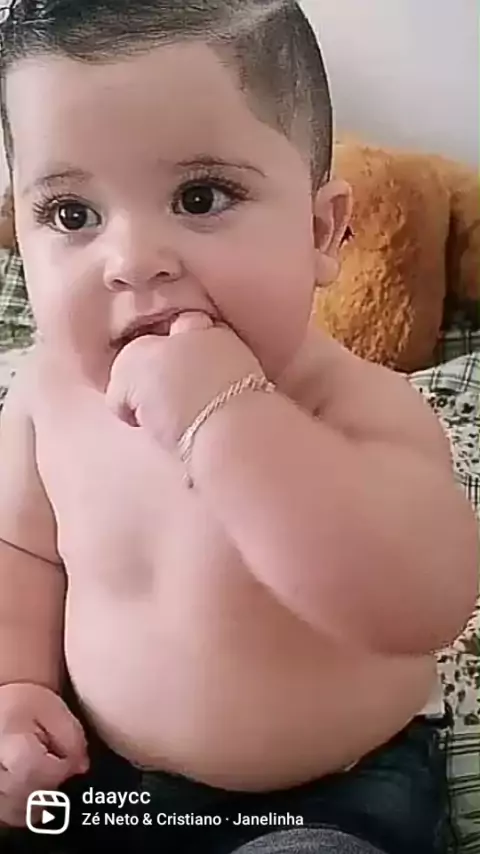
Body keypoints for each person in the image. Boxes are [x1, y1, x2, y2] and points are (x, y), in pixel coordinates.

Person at [0, 1, 477, 852]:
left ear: (322, 232)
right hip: (96, 778)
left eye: (200, 196)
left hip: (327, 799)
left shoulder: (358, 409)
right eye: (71, 213)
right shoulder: (46, 393)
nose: (131, 260)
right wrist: (17, 688)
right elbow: (22, 555)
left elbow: (426, 605)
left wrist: (228, 420)